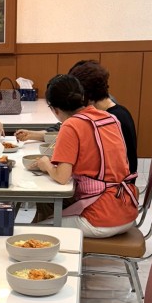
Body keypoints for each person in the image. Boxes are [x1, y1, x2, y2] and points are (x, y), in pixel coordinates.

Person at [32, 74, 138, 237]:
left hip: (101, 218)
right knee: (48, 207)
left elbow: (62, 177)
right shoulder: (110, 118)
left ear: (55, 109)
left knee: (33, 230)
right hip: (126, 209)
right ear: (82, 97)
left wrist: (45, 164)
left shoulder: (70, 126)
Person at [16, 61, 137, 178]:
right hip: (117, 190)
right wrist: (32, 134)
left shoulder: (115, 119)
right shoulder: (108, 116)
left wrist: (48, 165)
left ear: (83, 95)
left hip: (103, 190)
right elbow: (63, 131)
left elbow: (63, 176)